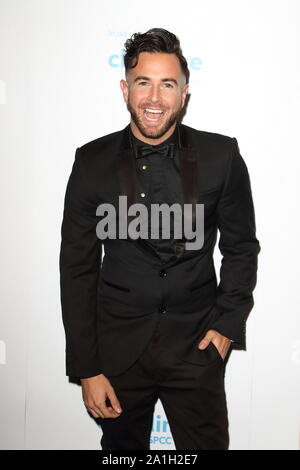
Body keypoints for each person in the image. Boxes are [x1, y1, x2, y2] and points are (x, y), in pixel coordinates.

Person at [59, 28, 260, 450]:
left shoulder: (221, 156)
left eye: (167, 84)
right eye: (143, 82)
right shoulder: (90, 161)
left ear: (184, 92)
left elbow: (241, 248)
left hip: (197, 348)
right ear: (124, 88)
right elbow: (76, 269)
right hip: (117, 355)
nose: (154, 98)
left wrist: (225, 325)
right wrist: (87, 368)